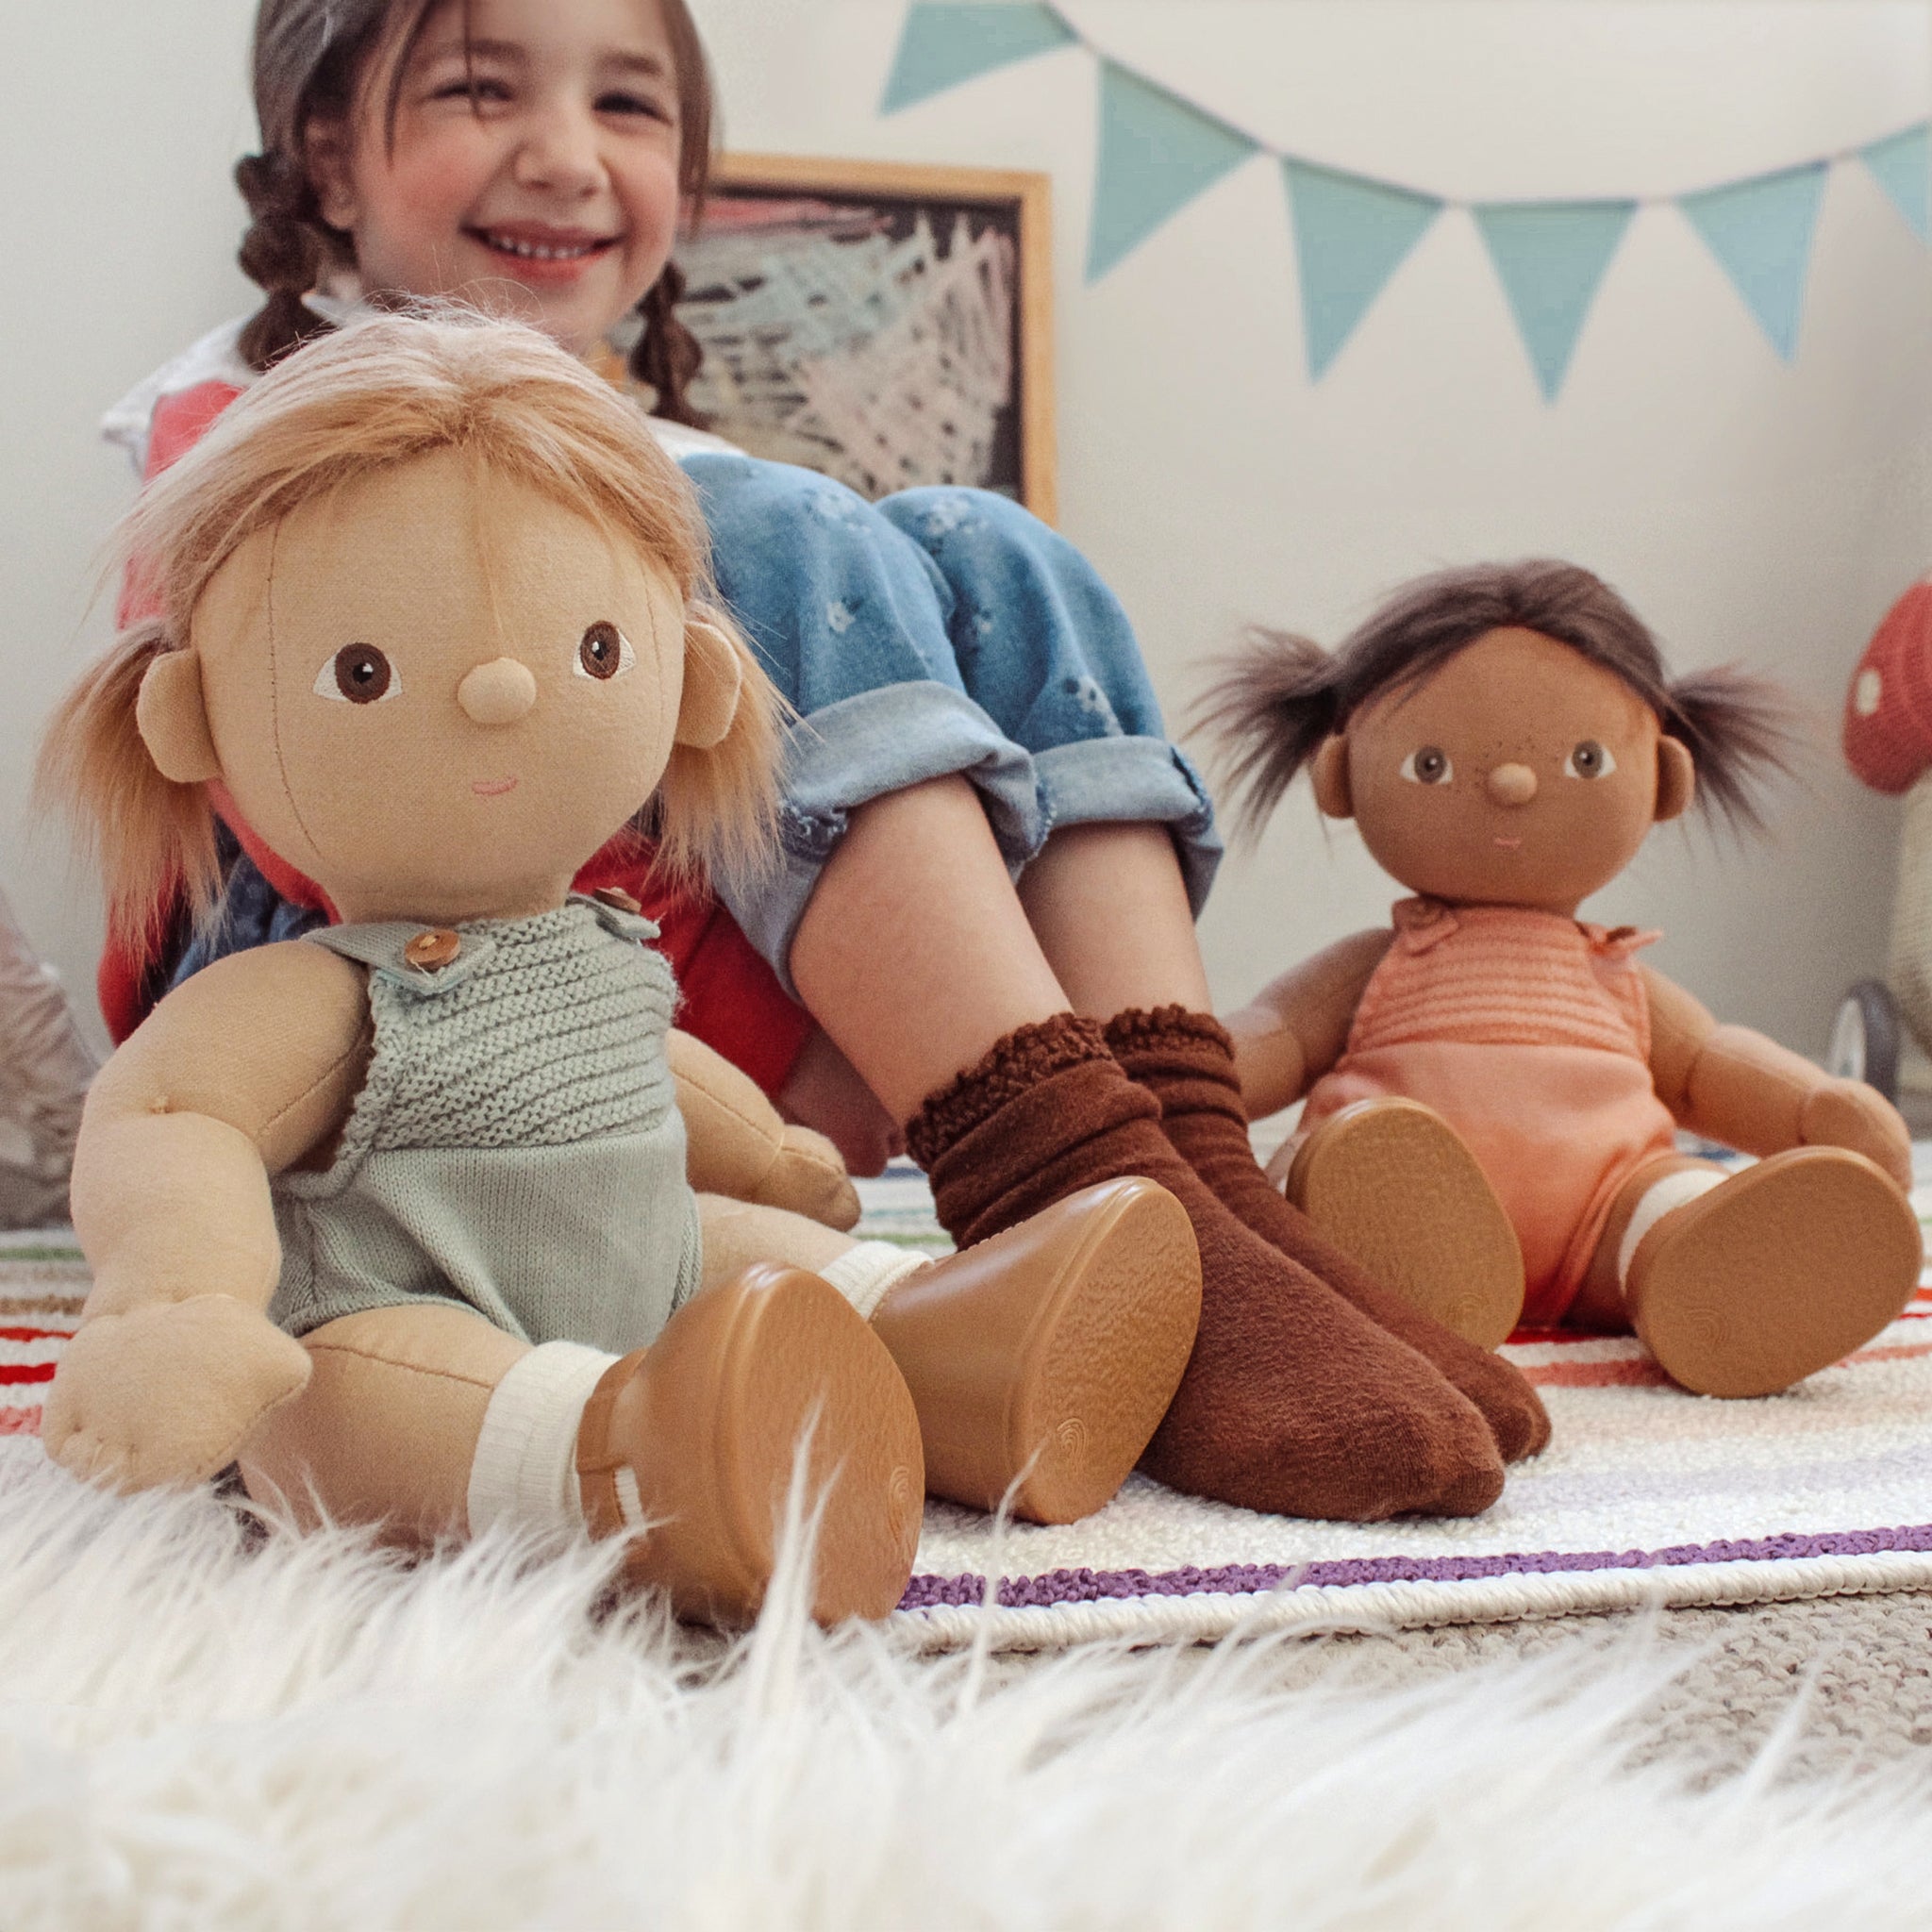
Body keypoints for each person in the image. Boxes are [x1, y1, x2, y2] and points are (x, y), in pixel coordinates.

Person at [91, 0, 1550, 1520]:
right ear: (329, 154)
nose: (566, 156)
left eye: (628, 107)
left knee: (993, 546)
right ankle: (1051, 1163)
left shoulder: (655, 450)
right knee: (771, 524)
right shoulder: (255, 422)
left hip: (645, 1004)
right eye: (480, 89)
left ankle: (1182, 1166)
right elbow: (287, 793)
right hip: (378, 1004)